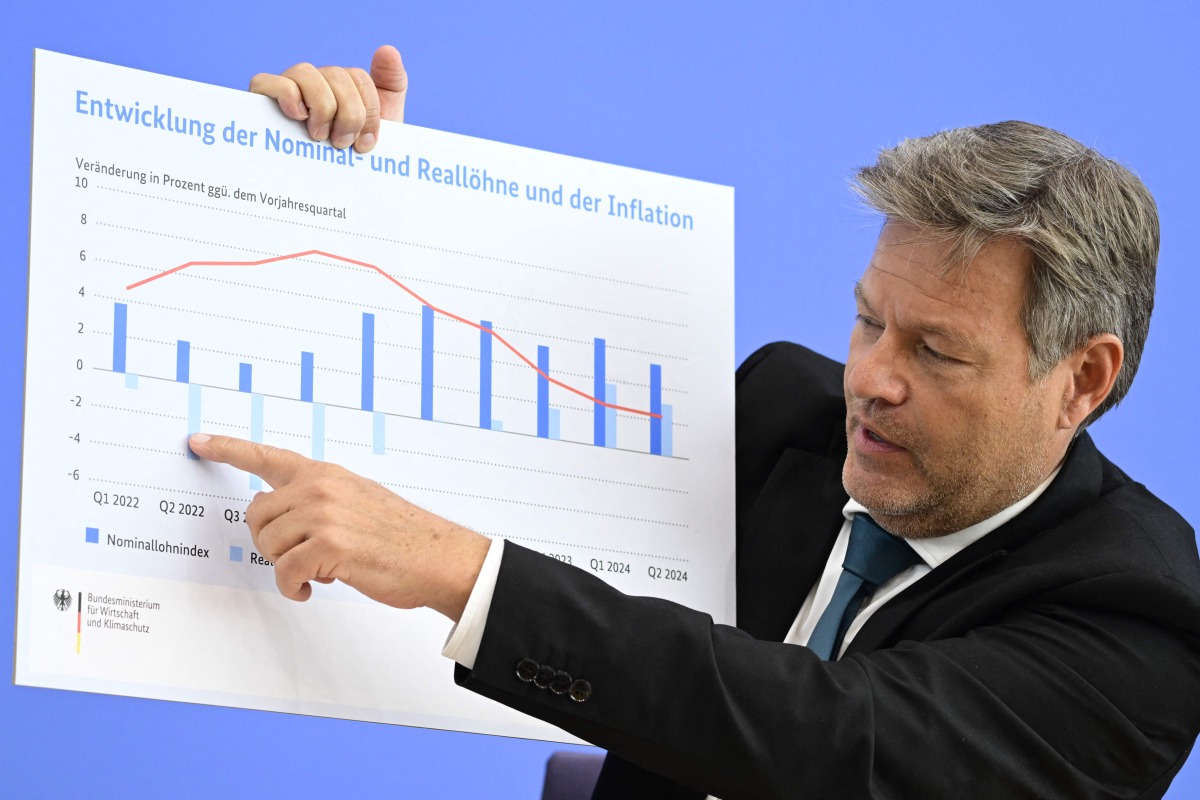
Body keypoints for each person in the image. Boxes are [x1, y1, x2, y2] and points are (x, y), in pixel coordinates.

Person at [187, 46, 1200, 798]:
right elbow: (478, 479)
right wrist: (359, 196)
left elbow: (828, 736)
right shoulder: (781, 415)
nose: (871, 378)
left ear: (1082, 379)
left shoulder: (1137, 618)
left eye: (936, 351)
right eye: (868, 320)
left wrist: (459, 567)